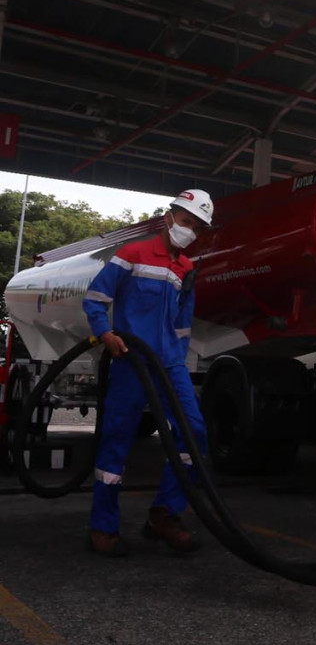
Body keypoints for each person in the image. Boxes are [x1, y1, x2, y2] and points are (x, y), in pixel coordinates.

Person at [82, 189, 214, 557]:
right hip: (131, 358)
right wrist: (104, 332)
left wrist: (179, 357)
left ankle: (165, 514)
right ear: (170, 216)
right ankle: (103, 525)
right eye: (187, 221)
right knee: (117, 439)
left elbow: (183, 323)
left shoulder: (186, 268)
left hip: (169, 364)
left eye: (198, 227)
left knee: (194, 431)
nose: (190, 230)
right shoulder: (133, 253)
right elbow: (96, 297)